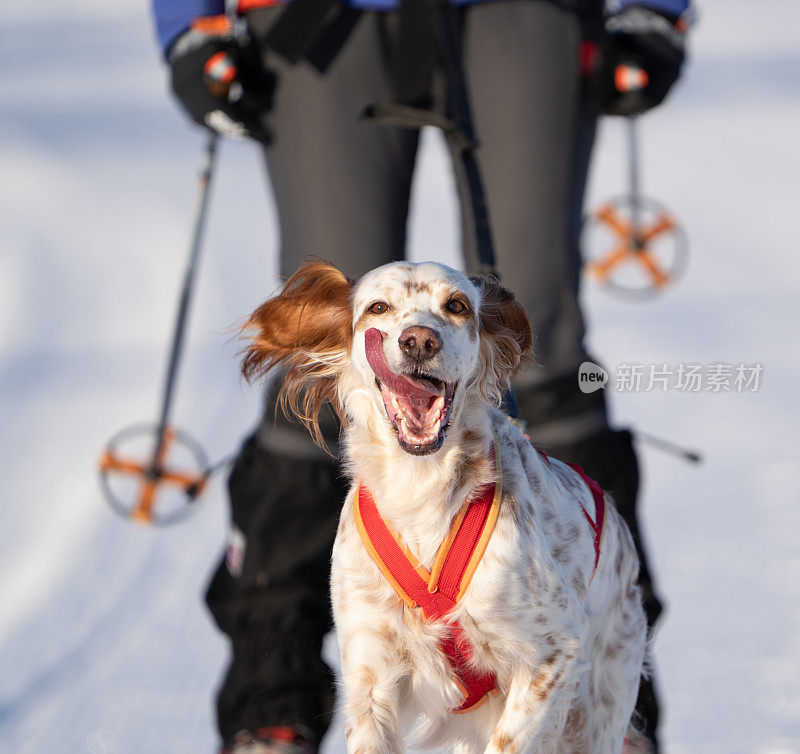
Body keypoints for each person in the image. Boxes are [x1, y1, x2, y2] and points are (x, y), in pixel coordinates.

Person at [151, 1, 688, 751]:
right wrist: (189, 22)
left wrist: (656, 11)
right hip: (322, 19)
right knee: (335, 352)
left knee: (543, 340)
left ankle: (606, 713)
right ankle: (272, 699)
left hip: (528, 13)